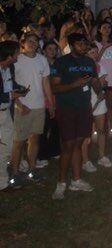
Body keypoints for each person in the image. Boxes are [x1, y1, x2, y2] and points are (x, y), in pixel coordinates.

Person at [50, 32, 99, 199]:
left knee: (78, 145)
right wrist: (74, 84)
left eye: (85, 43)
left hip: (84, 108)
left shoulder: (90, 62)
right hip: (67, 109)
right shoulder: (61, 62)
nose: (84, 46)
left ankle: (76, 180)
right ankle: (61, 183)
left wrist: (99, 86)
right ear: (71, 46)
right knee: (68, 146)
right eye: (80, 44)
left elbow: (94, 82)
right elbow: (54, 88)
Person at [9, 32, 53, 187]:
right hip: (22, 106)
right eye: (29, 41)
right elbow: (10, 85)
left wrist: (50, 103)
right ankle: (14, 172)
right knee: (18, 141)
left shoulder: (42, 60)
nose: (33, 43)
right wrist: (19, 104)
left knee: (34, 139)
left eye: (35, 41)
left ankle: (32, 169)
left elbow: (46, 82)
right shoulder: (16, 60)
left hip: (39, 105)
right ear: (23, 43)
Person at [0, 40, 21, 192]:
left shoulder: (10, 68)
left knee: (6, 147)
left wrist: (19, 89)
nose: (18, 55)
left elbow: (10, 84)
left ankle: (3, 182)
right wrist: (10, 95)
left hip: (6, 112)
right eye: (17, 52)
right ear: (9, 55)